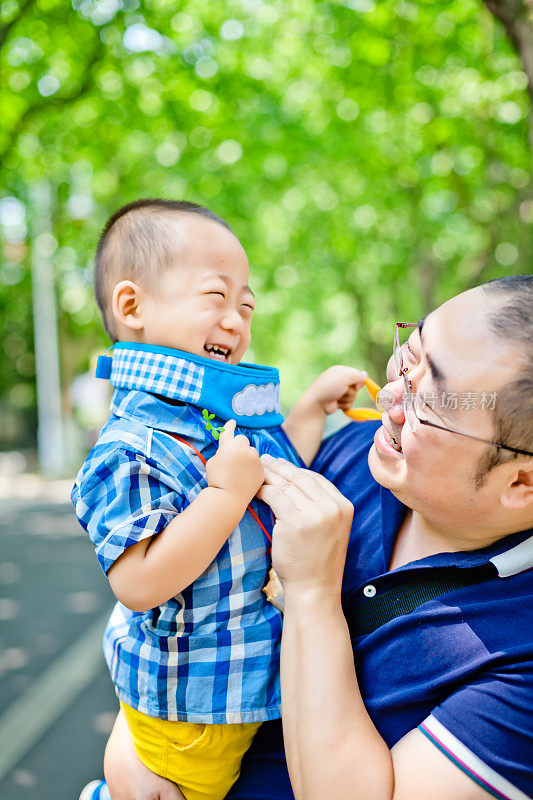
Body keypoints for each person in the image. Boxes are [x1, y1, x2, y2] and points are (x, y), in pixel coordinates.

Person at [101, 275, 533, 800]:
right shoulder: (357, 452)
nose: (392, 393)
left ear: (521, 482)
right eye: (411, 353)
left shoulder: (520, 651)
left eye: (429, 403)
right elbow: (181, 575)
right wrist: (138, 732)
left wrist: (312, 594)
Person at [72, 198, 366, 800]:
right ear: (132, 306)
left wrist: (308, 410)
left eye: (246, 304)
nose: (236, 320)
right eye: (216, 297)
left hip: (234, 691)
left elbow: (275, 475)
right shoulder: (132, 446)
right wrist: (225, 493)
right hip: (191, 717)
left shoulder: (215, 413)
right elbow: (139, 581)